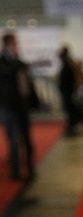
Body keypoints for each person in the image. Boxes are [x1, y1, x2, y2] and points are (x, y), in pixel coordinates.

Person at [0, 33, 36, 181]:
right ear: (8, 45)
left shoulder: (19, 63)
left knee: (26, 138)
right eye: (15, 44)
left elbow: (27, 84)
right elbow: (7, 73)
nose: (17, 46)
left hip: (22, 106)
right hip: (7, 106)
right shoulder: (3, 63)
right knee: (13, 139)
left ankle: (30, 167)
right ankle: (16, 171)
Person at [57, 46, 83, 137]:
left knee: (69, 109)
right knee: (69, 109)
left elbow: (68, 79)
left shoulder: (68, 64)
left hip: (68, 91)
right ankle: (72, 127)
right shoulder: (68, 64)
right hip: (68, 90)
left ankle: (72, 127)